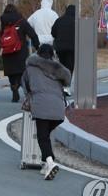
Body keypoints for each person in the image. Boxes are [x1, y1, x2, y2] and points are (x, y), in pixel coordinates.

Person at [22, 44, 71, 180]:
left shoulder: (30, 68)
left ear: (38, 54)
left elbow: (25, 85)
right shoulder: (59, 70)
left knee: (42, 137)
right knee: (46, 136)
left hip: (41, 106)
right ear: (52, 55)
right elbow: (66, 85)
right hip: (58, 110)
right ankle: (45, 163)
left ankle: (50, 162)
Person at [0, 4, 40, 102]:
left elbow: (1, 35)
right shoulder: (21, 21)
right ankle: (17, 84)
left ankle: (13, 85)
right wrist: (37, 46)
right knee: (21, 71)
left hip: (7, 51)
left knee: (10, 72)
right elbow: (32, 34)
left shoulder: (3, 22)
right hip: (20, 51)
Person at [51, 5, 76, 74]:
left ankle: (62, 80)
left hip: (60, 48)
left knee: (62, 64)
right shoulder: (76, 21)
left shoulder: (59, 20)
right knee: (70, 66)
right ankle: (67, 81)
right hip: (72, 48)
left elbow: (53, 33)